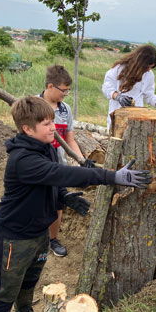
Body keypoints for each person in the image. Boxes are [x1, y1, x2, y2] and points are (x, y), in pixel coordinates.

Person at [0, 96, 151, 312]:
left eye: (52, 121)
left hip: (39, 232)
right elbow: (63, 174)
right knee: (5, 293)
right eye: (45, 124)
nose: (53, 127)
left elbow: (50, 182)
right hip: (15, 237)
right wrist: (112, 176)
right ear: (27, 129)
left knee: (29, 282)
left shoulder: (46, 148)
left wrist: (63, 198)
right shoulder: (21, 160)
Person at [39, 64, 95, 257]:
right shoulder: (34, 106)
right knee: (37, 202)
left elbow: (69, 139)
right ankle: (34, 239)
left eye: (68, 91)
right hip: (39, 167)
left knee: (58, 204)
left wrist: (82, 161)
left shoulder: (65, 110)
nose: (66, 94)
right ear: (50, 86)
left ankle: (52, 239)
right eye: (63, 90)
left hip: (59, 167)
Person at [102, 44, 156, 130]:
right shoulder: (119, 69)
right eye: (147, 67)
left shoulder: (149, 75)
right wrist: (118, 97)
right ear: (140, 63)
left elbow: (149, 94)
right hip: (118, 114)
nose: (148, 70)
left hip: (137, 117)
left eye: (151, 67)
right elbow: (107, 88)